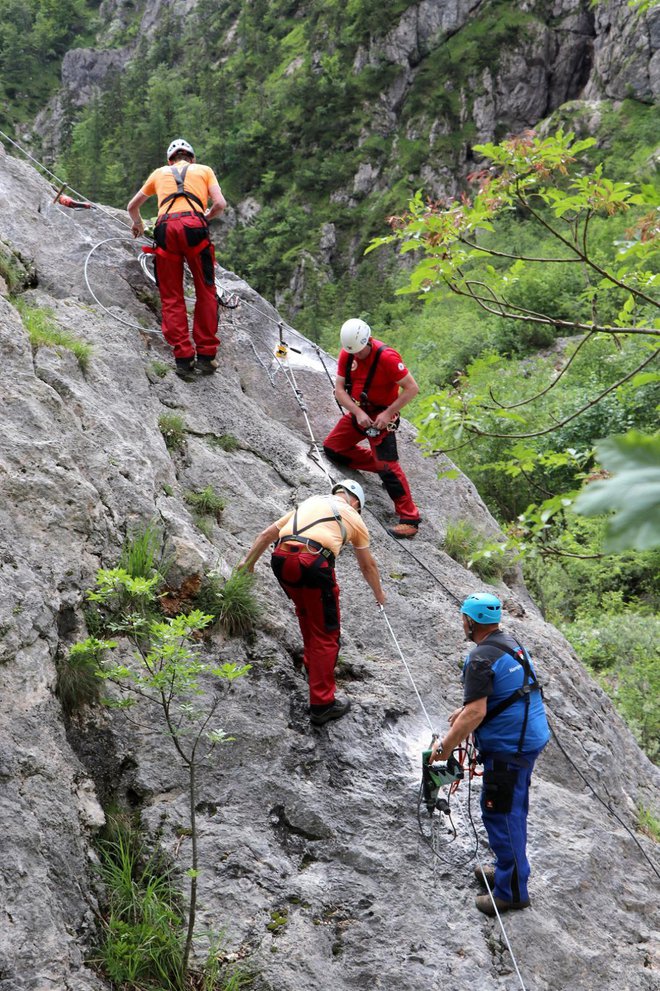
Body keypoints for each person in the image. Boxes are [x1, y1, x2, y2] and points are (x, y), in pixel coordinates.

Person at [432, 592, 550, 916]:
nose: (462, 623)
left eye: (463, 618)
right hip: (527, 737)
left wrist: (445, 747)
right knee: (513, 809)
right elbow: (504, 692)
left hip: (509, 746)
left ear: (470, 621)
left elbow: (476, 714)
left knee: (500, 813)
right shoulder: (509, 643)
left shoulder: (480, 658)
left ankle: (512, 891)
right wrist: (466, 709)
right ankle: (507, 872)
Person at [240, 479, 386, 727]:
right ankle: (322, 704)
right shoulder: (353, 516)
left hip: (281, 559)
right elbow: (367, 565)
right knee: (326, 633)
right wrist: (379, 595)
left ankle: (312, 666)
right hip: (313, 564)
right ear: (356, 502)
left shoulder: (311, 502)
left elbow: (267, 534)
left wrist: (249, 563)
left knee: (306, 611)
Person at [127, 138, 227, 379]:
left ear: (170, 160)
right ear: (191, 158)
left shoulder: (159, 173)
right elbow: (221, 204)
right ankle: (206, 356)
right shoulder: (204, 170)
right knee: (205, 290)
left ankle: (183, 359)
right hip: (195, 227)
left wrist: (138, 224)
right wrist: (206, 216)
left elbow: (132, 206)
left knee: (172, 296)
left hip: (165, 230)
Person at [323, 318, 421, 539]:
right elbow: (340, 390)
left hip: (381, 416)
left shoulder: (387, 357)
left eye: (360, 352)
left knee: (389, 466)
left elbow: (412, 388)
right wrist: (357, 413)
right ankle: (379, 465)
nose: (357, 356)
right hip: (361, 413)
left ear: (367, 341)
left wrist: (388, 414)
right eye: (353, 352)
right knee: (333, 448)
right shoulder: (348, 353)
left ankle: (410, 519)